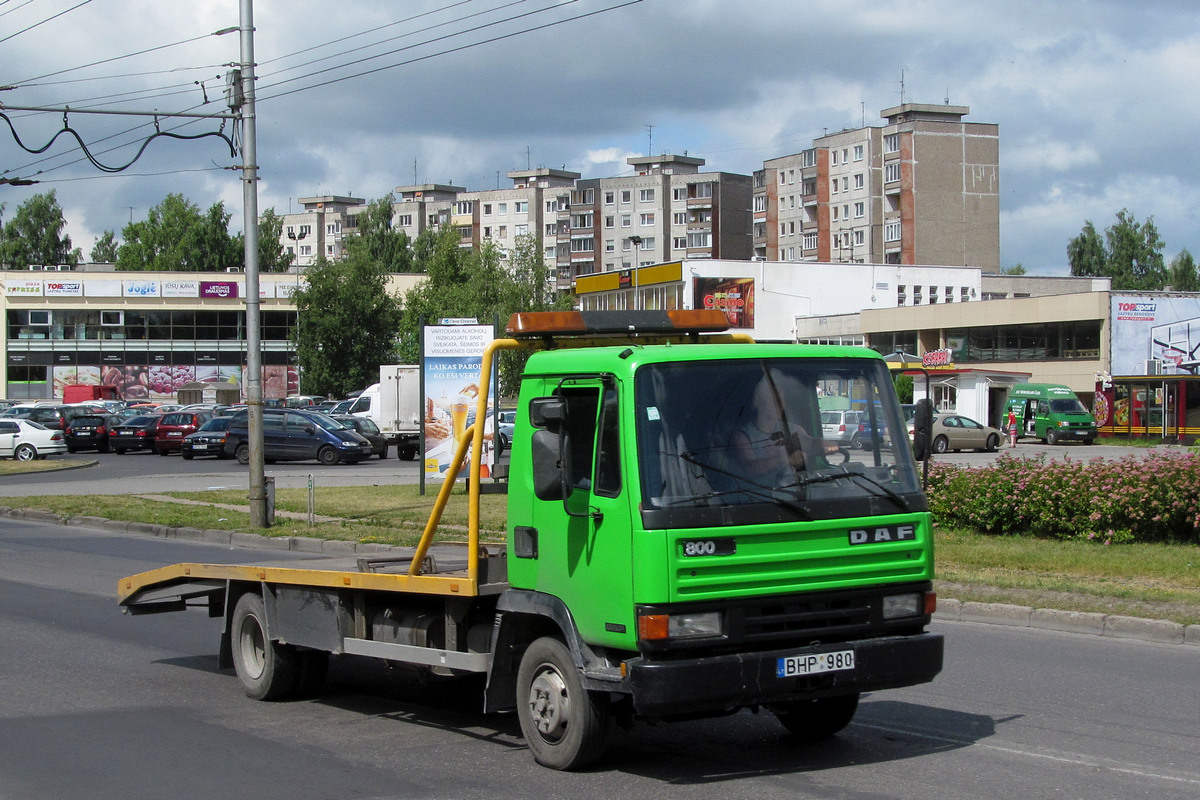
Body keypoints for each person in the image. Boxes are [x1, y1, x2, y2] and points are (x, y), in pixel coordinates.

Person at [729, 372, 834, 486]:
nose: (780, 404)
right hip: (759, 496)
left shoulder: (791, 429)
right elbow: (750, 468)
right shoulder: (743, 435)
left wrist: (823, 444)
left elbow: (808, 441)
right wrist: (781, 459)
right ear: (758, 402)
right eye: (773, 399)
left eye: (781, 398)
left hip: (792, 491)